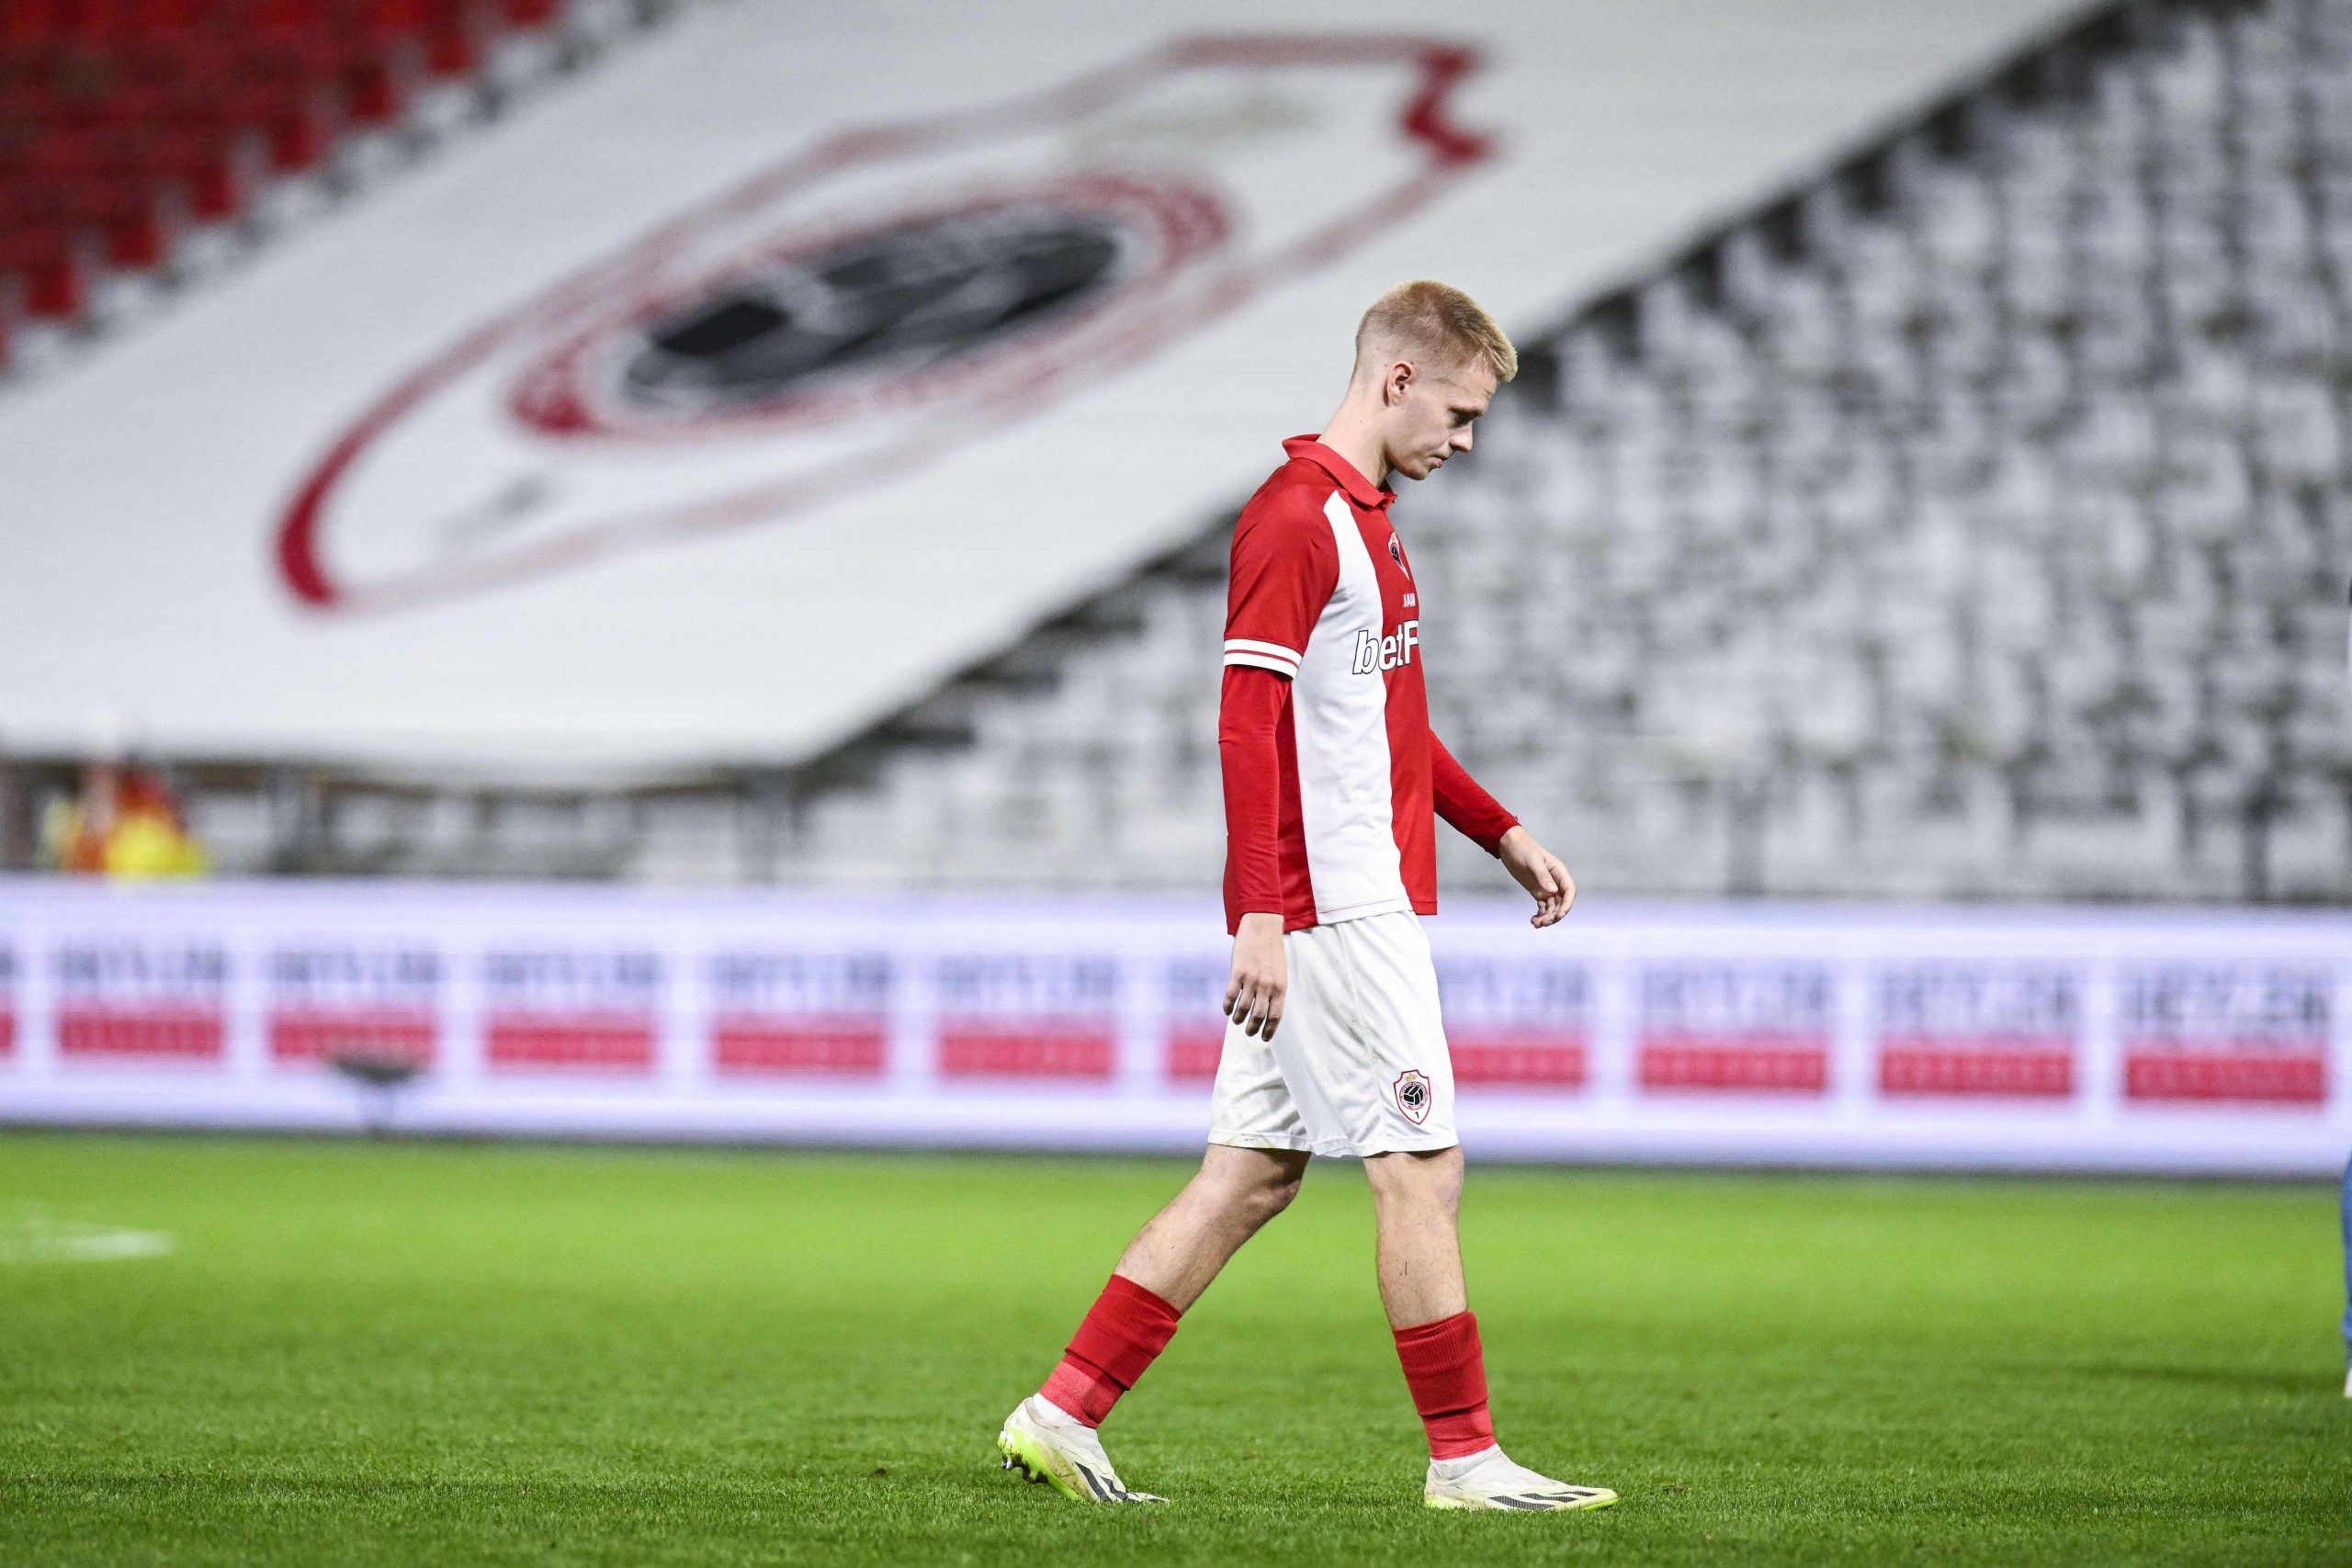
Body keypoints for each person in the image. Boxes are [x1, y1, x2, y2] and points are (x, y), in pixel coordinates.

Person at [995, 281, 1615, 1512]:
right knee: (1421, 1168)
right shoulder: (1295, 519)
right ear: (1394, 383)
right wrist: (1265, 916)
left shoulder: (1364, 515)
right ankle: (1466, 1461)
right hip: (1332, 909)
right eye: (1458, 409)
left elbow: (1381, 725)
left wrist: (1498, 830)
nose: (1467, 438)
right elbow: (1248, 724)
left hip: (1338, 899)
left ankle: (1059, 1414)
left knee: (1252, 1175)